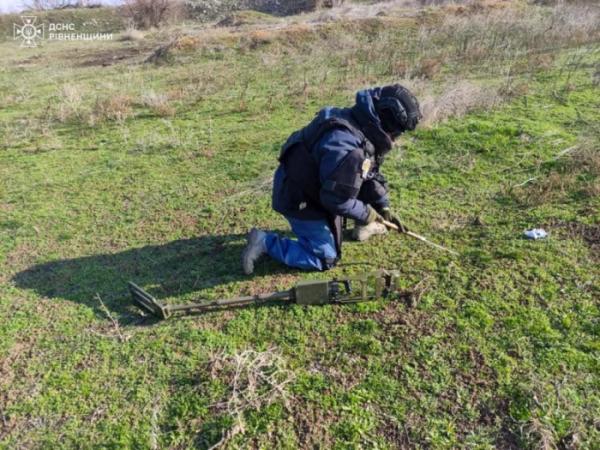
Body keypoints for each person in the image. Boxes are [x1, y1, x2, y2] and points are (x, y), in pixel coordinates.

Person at [242, 84, 422, 274]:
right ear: (387, 123)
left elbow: (368, 172)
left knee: (352, 181)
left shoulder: (358, 122)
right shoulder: (346, 146)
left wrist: (382, 206)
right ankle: (264, 242)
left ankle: (362, 226)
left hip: (320, 182)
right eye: (397, 133)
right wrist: (368, 214)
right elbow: (337, 199)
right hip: (299, 196)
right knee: (325, 258)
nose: (396, 139)